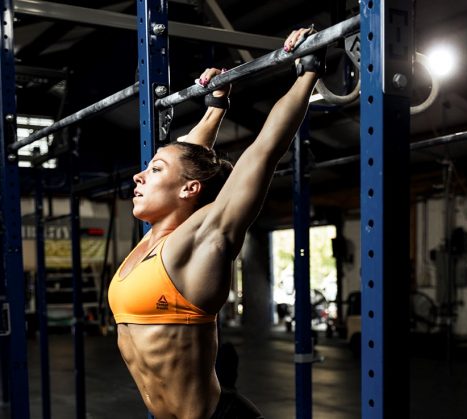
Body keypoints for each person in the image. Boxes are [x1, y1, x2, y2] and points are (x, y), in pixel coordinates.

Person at [108, 26, 326, 419]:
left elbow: (264, 150)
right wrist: (215, 105)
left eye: (153, 170)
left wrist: (308, 69)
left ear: (190, 190)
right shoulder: (149, 244)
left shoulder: (200, 240)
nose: (138, 177)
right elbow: (189, 158)